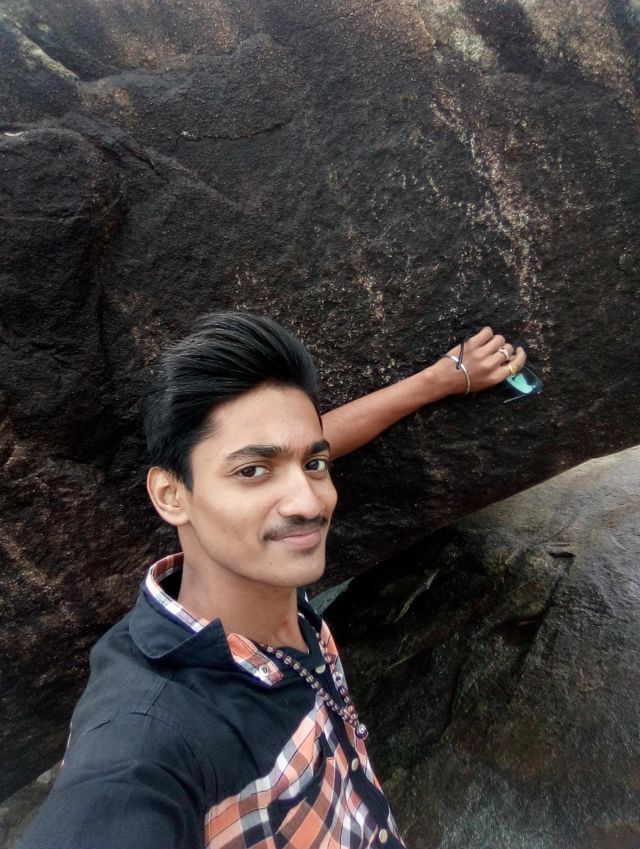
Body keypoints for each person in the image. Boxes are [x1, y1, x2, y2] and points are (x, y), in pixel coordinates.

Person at [17, 313, 526, 849]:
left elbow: (309, 443)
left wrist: (441, 379)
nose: (308, 503)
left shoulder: (263, 581)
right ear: (171, 495)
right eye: (252, 472)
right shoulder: (147, 737)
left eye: (316, 465)